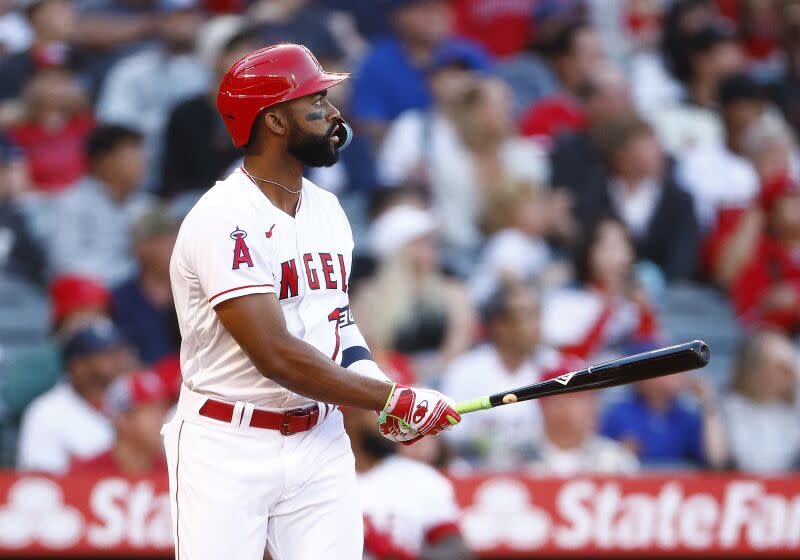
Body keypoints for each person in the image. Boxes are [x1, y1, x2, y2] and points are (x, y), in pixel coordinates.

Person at [163, 44, 462, 560]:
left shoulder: (328, 210)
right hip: (227, 439)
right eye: (317, 103)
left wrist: (380, 389)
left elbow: (338, 327)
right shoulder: (223, 218)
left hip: (319, 436)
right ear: (276, 121)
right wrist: (390, 402)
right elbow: (275, 354)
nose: (334, 115)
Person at [351, 203, 477, 382]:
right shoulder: (369, 296)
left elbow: (459, 342)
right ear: (400, 248)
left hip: (444, 379)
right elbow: (365, 348)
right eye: (422, 241)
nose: (432, 246)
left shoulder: (452, 290)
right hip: (391, 381)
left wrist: (431, 369)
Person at [441, 283, 560, 470]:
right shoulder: (466, 371)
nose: (537, 325)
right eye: (527, 315)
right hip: (476, 475)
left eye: (537, 315)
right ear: (500, 326)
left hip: (538, 477)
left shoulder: (553, 367)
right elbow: (451, 439)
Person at [95, 0, 208, 188]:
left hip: (196, 174)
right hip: (144, 175)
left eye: (187, 15)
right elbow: (113, 125)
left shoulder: (211, 70)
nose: (180, 24)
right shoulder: (131, 70)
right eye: (172, 16)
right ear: (158, 19)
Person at [576, 117, 699, 281]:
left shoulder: (679, 201)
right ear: (621, 154)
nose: (658, 153)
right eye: (647, 147)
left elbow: (683, 259)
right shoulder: (593, 192)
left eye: (657, 146)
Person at [350, 0, 487, 144]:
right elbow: (370, 128)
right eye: (426, 9)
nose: (436, 15)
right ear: (399, 16)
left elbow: (496, 116)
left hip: (472, 149)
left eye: (441, 7)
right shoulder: (376, 63)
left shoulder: (470, 53)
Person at [344, 406, 471, 560]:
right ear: (348, 419)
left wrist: (399, 555)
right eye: (376, 412)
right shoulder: (318, 476)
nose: (387, 421)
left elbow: (456, 550)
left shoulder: (422, 477)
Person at [16, 319, 135, 473]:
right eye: (105, 353)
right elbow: (41, 482)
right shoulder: (45, 412)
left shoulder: (134, 401)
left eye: (117, 351)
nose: (116, 360)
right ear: (78, 365)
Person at [159, 18, 259, 199]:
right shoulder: (185, 114)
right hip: (195, 204)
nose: (247, 57)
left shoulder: (265, 113)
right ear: (212, 57)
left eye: (249, 48)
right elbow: (173, 183)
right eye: (235, 50)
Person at [48, 124, 153, 286]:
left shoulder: (147, 206)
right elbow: (66, 265)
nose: (141, 162)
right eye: (130, 155)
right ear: (102, 162)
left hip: (136, 294)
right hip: (89, 294)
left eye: (140, 154)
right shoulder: (72, 203)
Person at [541, 217, 659, 361]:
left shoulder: (632, 302)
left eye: (625, 245)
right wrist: (607, 310)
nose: (619, 256)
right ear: (590, 251)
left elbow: (651, 356)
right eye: (611, 247)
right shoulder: (567, 298)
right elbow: (567, 363)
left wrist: (644, 313)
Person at [0, 274, 111, 418]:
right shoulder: (41, 358)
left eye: (100, 313)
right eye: (84, 312)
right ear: (64, 317)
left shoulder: (113, 355)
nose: (92, 320)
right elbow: (13, 402)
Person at [601, 368, 727, 469]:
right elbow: (598, 457)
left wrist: (708, 401)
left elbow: (716, 460)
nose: (678, 374)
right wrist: (620, 453)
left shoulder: (686, 417)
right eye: (669, 367)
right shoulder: (620, 413)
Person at [531, 363, 639, 475]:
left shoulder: (615, 459)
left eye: (590, 397)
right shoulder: (519, 458)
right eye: (580, 398)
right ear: (549, 405)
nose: (591, 406)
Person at [730, 176, 800, 334]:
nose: (797, 205)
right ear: (772, 212)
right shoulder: (762, 254)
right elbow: (749, 316)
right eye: (789, 199)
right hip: (778, 341)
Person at [722, 330, 800, 473]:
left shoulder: (792, 409)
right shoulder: (731, 408)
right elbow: (753, 462)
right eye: (779, 367)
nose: (789, 373)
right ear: (756, 369)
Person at [111, 205, 180, 364]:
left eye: (172, 237)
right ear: (140, 248)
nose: (171, 245)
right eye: (161, 240)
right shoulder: (122, 298)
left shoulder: (193, 289)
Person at [71, 369, 171, 474]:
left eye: (163, 409)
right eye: (151, 410)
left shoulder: (175, 472)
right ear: (122, 420)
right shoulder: (87, 473)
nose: (162, 419)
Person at [518, 22, 605, 142]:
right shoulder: (544, 114)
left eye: (600, 54)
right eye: (590, 55)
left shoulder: (613, 106)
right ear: (565, 61)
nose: (599, 62)